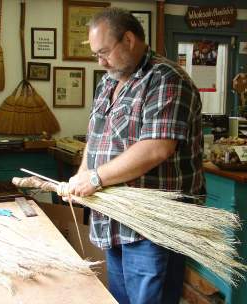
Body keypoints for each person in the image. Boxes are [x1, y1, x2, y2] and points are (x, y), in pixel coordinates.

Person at [65, 7, 205, 304]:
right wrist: (81, 173)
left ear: (128, 39)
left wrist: (96, 177)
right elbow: (96, 137)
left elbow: (156, 148)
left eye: (104, 52)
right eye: (95, 55)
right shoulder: (107, 82)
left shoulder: (167, 79)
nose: (100, 62)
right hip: (114, 217)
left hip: (152, 229)